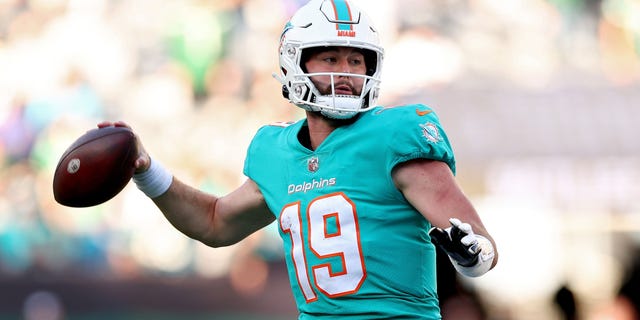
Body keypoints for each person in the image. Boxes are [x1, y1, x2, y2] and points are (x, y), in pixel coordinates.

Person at [100, 0, 498, 318]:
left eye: (356, 61)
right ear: (296, 63)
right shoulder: (274, 150)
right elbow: (215, 223)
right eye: (331, 59)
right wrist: (147, 170)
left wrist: (472, 255)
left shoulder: (396, 135)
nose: (346, 73)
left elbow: (482, 247)